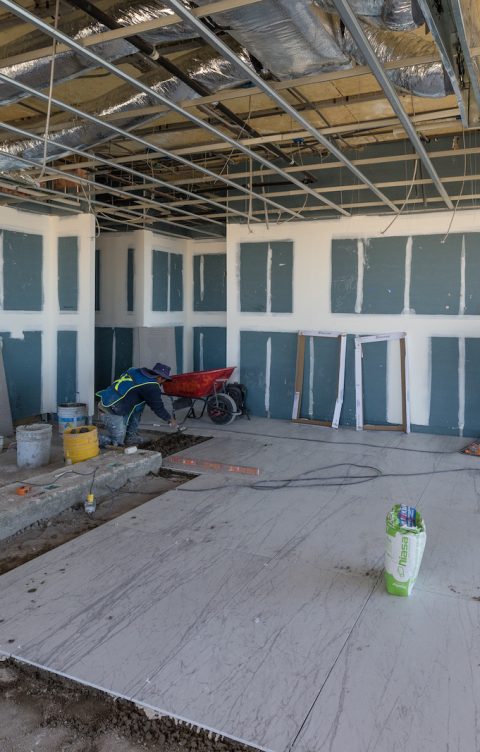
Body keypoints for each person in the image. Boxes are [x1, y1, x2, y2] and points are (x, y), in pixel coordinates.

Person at [96, 362, 177, 447]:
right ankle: (93, 440)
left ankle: (130, 437)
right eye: (164, 380)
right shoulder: (151, 386)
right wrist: (169, 419)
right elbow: (158, 407)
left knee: (139, 406)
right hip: (110, 409)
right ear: (160, 378)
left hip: (110, 399)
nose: (162, 383)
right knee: (117, 442)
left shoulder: (134, 370)